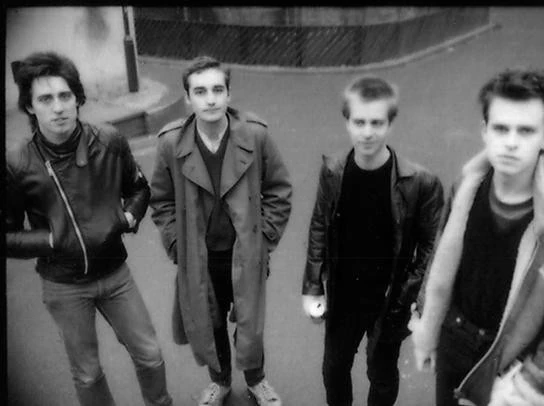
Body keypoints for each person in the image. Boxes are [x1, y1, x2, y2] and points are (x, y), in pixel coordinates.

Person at [410, 68, 544, 406]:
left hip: (511, 363)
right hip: (454, 339)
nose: (511, 142)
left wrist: (526, 388)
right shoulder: (466, 186)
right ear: (485, 130)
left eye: (526, 130)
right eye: (501, 128)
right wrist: (428, 328)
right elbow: (441, 262)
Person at [6, 52, 172, 406]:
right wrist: (51, 239)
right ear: (31, 107)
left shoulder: (109, 140)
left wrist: (128, 218)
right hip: (63, 285)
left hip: (115, 274)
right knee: (88, 373)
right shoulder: (18, 163)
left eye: (65, 96)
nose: (58, 107)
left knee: (150, 354)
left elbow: (139, 188)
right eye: (45, 99)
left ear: (77, 98)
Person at [150, 55, 292, 406]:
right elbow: (162, 200)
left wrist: (264, 239)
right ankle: (221, 381)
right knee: (208, 320)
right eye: (200, 92)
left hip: (245, 251)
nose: (210, 99)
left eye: (217, 90)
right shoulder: (171, 143)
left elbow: (279, 190)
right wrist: (176, 244)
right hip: (199, 255)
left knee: (249, 321)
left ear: (229, 94)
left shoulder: (255, 136)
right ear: (188, 99)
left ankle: (257, 381)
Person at [301, 76, 444, 406]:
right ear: (347, 121)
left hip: (389, 298)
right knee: (334, 369)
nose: (367, 132)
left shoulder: (421, 184)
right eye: (359, 122)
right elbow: (319, 225)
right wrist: (313, 285)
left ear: (390, 123)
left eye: (376, 123)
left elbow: (431, 247)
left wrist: (411, 294)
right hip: (344, 294)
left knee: (381, 372)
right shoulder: (333, 171)